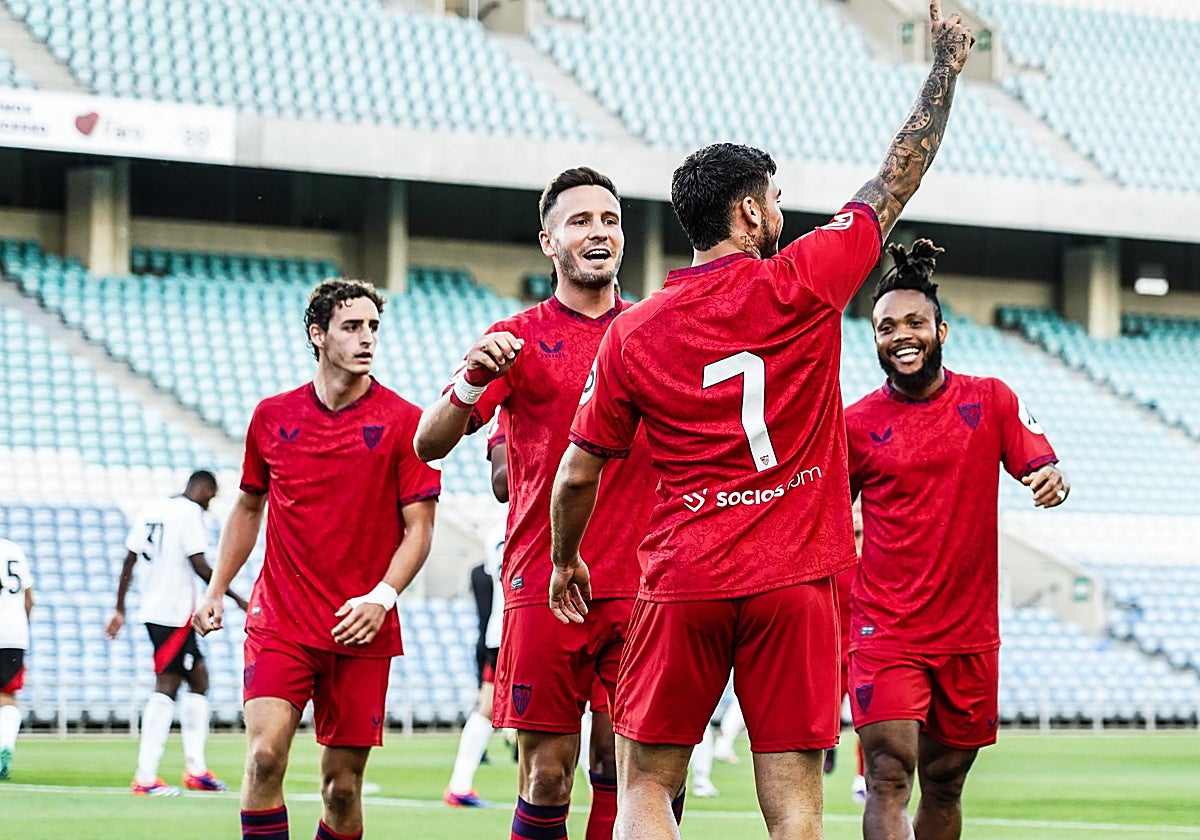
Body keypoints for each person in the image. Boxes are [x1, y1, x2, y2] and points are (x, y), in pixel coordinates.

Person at [548, 5, 975, 837]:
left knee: (643, 784)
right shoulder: (806, 279)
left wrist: (566, 558)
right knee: (794, 807)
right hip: (795, 581)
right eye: (774, 199)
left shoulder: (634, 329)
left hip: (684, 578)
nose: (782, 211)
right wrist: (947, 65)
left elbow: (578, 471)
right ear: (749, 213)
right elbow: (898, 174)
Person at [415, 167, 657, 840]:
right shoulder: (515, 336)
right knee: (547, 773)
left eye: (609, 220)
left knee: (632, 770)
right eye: (580, 221)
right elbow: (427, 445)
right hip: (541, 585)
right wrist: (470, 380)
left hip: (638, 588)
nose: (599, 232)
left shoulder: (650, 331)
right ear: (548, 241)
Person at [192, 279, 440, 840]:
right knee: (263, 758)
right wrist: (215, 590)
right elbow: (249, 507)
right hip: (280, 620)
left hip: (362, 625)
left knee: (342, 788)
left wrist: (382, 598)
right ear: (318, 334)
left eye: (374, 327)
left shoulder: (405, 421)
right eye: (352, 326)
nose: (367, 338)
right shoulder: (272, 417)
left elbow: (420, 530)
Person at [845, 239, 1069, 840]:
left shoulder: (991, 399)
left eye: (914, 322)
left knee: (945, 782)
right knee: (889, 773)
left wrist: (1050, 477)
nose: (901, 335)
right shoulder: (855, 424)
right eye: (886, 327)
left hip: (968, 635)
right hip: (884, 630)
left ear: (941, 328)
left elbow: (1040, 464)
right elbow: (826, 521)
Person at [105, 470, 246, 796]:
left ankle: (195, 770)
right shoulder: (189, 512)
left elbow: (129, 559)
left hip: (156, 610)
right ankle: (145, 776)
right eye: (211, 496)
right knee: (168, 683)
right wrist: (235, 597)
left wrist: (120, 607)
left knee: (198, 679)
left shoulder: (153, 508)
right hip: (172, 612)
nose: (210, 503)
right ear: (204, 488)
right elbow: (199, 563)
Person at [827, 501, 867, 804]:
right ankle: (828, 748)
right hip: (831, 650)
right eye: (850, 508)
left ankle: (862, 777)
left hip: (865, 650)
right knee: (824, 715)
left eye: (859, 509)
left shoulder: (877, 559)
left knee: (869, 720)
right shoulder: (832, 555)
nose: (854, 513)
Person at [0, 537, 34, 781]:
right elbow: (29, 598)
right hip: (14, 634)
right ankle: (5, 747)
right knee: (7, 696)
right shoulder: (13, 549)